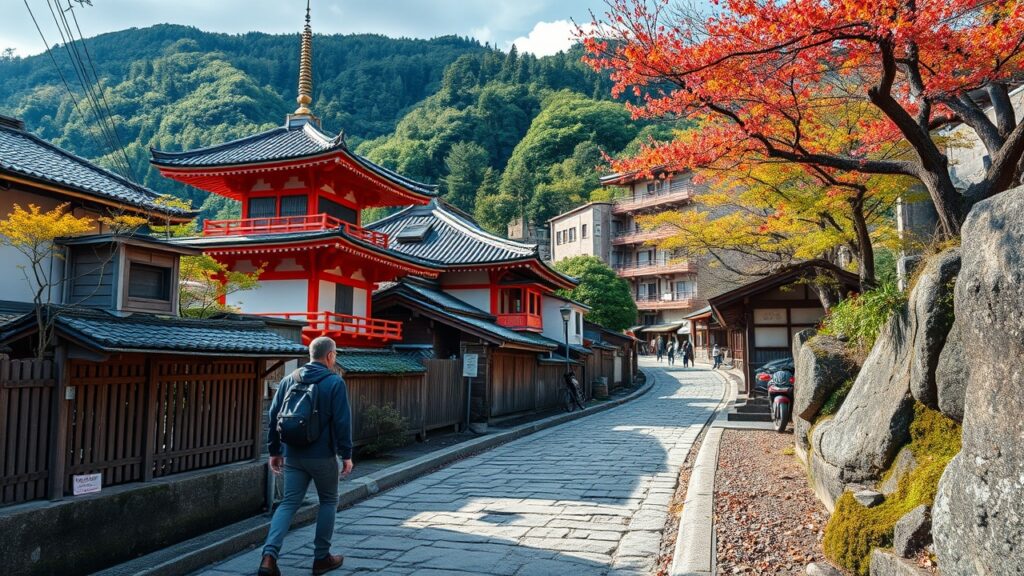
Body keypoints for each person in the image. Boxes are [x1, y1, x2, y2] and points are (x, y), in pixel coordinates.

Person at [258, 336, 353, 576]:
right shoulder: (334, 382)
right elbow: (342, 422)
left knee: (289, 503)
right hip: (322, 456)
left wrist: (274, 451)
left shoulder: (290, 379)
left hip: (293, 455)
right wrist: (347, 455)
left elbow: (273, 415)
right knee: (329, 501)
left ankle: (269, 557)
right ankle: (322, 558)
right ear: (330, 356)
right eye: (335, 355)